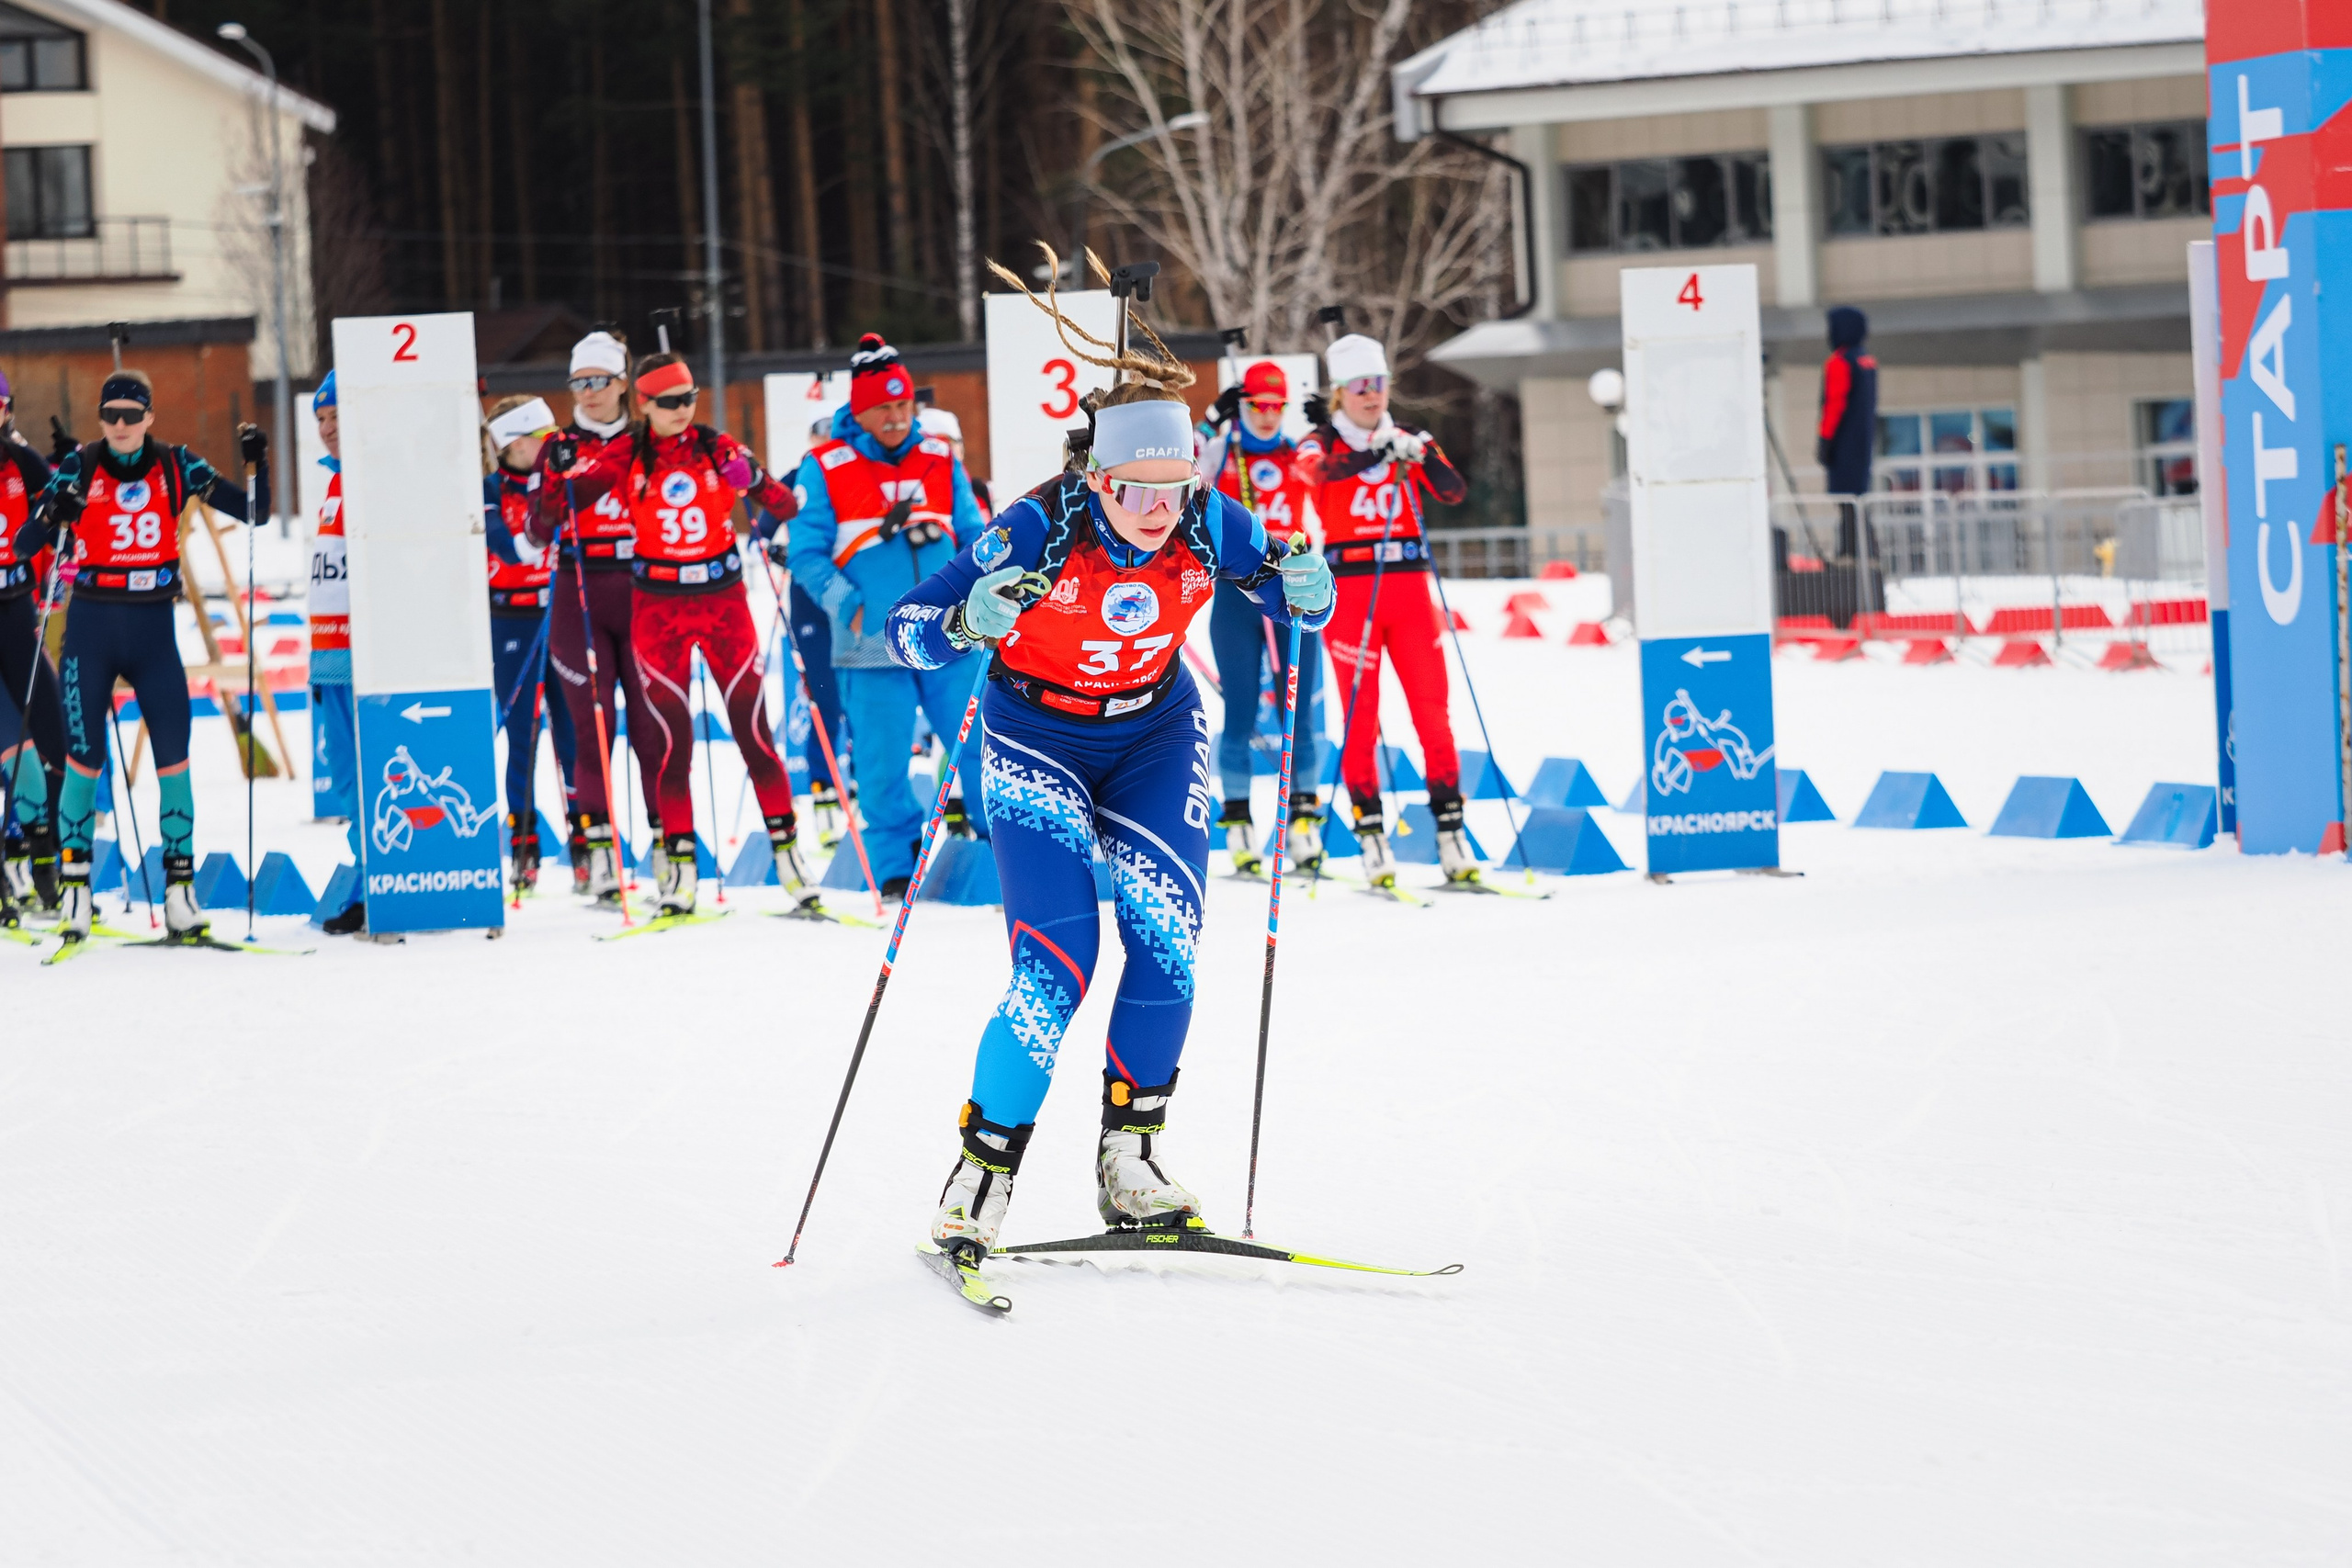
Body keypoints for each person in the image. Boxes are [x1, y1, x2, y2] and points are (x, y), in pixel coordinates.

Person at [884, 274, 1335, 1261]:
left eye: (1173, 492)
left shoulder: (1213, 522)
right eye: (1134, 492)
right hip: (1035, 738)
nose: (1156, 513)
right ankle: (981, 1174)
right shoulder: (1038, 528)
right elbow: (906, 629)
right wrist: (968, 621)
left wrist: (1308, 589)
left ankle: (1130, 1161)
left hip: (1155, 731)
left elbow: (1296, 601)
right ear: (1098, 481)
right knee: (1055, 968)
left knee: (1167, 943)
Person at [558, 351, 819, 917]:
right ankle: (679, 873)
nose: (684, 410)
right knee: (671, 743)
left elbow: (784, 503)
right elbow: (559, 509)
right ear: (645, 404)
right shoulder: (626, 451)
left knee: (755, 732)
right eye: (670, 401)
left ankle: (791, 861)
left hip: (723, 604)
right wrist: (558, 469)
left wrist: (751, 480)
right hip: (658, 610)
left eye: (690, 398)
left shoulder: (715, 445)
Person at [13, 370, 268, 943]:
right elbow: (25, 543)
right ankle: (76, 892)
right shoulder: (80, 465)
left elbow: (256, 513)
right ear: (100, 420)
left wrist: (258, 465)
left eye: (133, 414)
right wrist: (56, 509)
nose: (122, 426)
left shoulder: (178, 464)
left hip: (154, 629)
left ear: (151, 417)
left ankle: (180, 892)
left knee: (174, 757)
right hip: (92, 628)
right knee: (85, 758)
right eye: (111, 416)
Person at [784, 334, 988, 898]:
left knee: (978, 743)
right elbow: (805, 551)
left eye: (903, 406)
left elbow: (974, 536)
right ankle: (895, 865)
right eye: (884, 409)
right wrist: (845, 603)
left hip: (949, 633)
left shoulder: (940, 457)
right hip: (870, 641)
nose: (897, 418)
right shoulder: (825, 465)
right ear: (860, 409)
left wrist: (984, 591)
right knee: (883, 759)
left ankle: (997, 845)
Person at [1294, 333, 1470, 887]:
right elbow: (1316, 475)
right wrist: (1377, 453)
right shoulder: (1318, 441)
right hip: (1352, 593)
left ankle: (1451, 833)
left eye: (1380, 384)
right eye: (1361, 387)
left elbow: (1452, 491)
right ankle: (1371, 834)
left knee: (1432, 713)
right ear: (1341, 392)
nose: (1373, 396)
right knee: (1360, 719)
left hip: (1411, 590)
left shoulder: (1410, 434)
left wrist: (1421, 453)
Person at [528, 330, 670, 903]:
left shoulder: (648, 438)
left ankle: (667, 847)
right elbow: (540, 530)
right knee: (592, 730)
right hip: (577, 592)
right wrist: (560, 485)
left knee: (651, 727)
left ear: (621, 385)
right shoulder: (557, 444)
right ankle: (601, 856)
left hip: (640, 588)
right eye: (578, 382)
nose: (587, 393)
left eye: (598, 381)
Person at [1198, 360, 1322, 874]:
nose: (1267, 417)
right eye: (1256, 406)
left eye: (1276, 407)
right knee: (1241, 713)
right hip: (1235, 598)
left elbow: (1329, 472)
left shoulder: (1296, 454)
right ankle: (1239, 822)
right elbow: (1181, 472)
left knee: (1301, 713)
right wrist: (1210, 417)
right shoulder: (1222, 449)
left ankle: (1301, 824)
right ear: (1242, 406)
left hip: (1290, 595)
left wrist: (1329, 428)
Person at [482, 396, 580, 893]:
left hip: (561, 617)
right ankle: (524, 848)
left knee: (574, 735)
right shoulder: (490, 489)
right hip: (512, 621)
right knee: (523, 739)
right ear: (515, 444)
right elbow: (510, 549)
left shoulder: (564, 480)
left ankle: (587, 845)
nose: (554, 447)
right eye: (544, 439)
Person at [0, 369, 61, 909]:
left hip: (17, 614)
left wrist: (71, 468)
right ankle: (16, 865)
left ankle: (45, 862)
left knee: (45, 736)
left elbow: (69, 505)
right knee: (9, 745)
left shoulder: (21, 461)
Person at [306, 373, 357, 830]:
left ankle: (371, 885)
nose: (327, 426)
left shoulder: (367, 477)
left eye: (336, 414)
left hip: (358, 657)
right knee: (343, 771)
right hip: (331, 656)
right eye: (321, 417)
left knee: (361, 775)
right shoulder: (336, 481)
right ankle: (365, 880)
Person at [1817, 305, 1879, 605]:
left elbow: (1835, 403)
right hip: (1863, 446)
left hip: (1844, 445)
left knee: (1846, 503)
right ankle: (1867, 551)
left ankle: (1849, 553)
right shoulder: (1867, 361)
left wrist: (1825, 440)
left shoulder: (1840, 362)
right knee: (1857, 503)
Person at [919, 405, 993, 521]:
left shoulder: (982, 492)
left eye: (949, 442)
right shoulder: (915, 496)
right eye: (935, 445)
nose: (944, 452)